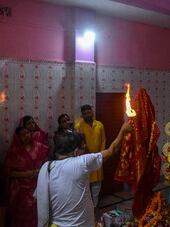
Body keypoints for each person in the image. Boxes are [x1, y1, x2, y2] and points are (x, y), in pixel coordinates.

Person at [36, 123, 132, 227]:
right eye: (83, 148)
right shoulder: (82, 162)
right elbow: (111, 151)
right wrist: (123, 131)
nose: (85, 150)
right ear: (76, 151)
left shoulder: (47, 167)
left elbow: (38, 197)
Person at [114, 88, 162, 218]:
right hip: (146, 157)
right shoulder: (140, 124)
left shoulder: (135, 125)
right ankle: (145, 212)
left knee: (141, 185)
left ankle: (143, 213)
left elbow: (126, 145)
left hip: (140, 158)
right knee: (143, 185)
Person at [4, 126, 49, 227]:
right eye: (22, 135)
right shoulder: (14, 151)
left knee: (37, 213)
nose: (26, 136)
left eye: (27, 133)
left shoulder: (39, 147)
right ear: (17, 137)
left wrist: (39, 172)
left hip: (38, 185)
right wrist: (24, 174)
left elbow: (47, 165)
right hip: (20, 189)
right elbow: (8, 172)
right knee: (21, 215)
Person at [74, 105, 106, 208]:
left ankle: (94, 207)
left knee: (97, 185)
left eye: (89, 112)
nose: (88, 115)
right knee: (86, 186)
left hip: (97, 158)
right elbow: (77, 145)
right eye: (85, 113)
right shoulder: (78, 127)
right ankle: (86, 208)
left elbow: (103, 140)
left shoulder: (99, 124)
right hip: (85, 160)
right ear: (82, 115)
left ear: (92, 113)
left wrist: (101, 155)